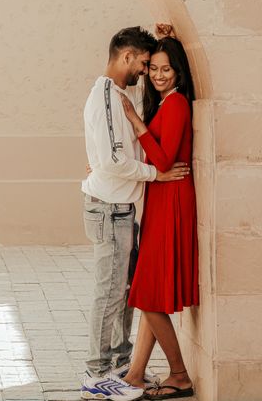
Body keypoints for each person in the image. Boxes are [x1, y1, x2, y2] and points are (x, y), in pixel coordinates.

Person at [80, 26, 190, 401]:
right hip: (111, 208)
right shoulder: (109, 96)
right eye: (145, 64)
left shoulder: (128, 97)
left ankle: (128, 369)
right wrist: (154, 173)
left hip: (127, 208)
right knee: (112, 294)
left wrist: (166, 33)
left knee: (131, 293)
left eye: (160, 67)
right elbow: (114, 159)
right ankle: (98, 373)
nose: (148, 72)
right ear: (127, 57)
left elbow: (118, 152)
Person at [118, 34, 198, 400]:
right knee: (148, 292)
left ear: (178, 72)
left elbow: (164, 160)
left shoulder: (178, 103)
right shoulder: (166, 103)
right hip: (162, 198)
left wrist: (135, 119)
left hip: (172, 201)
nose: (159, 74)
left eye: (167, 69)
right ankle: (135, 374)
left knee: (147, 296)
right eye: (153, 68)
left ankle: (179, 373)